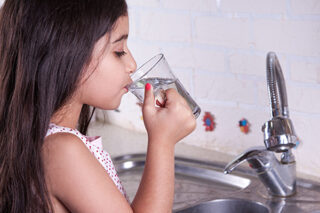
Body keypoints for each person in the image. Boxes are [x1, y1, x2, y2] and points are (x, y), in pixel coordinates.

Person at [0, 0, 196, 212]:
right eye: (119, 51)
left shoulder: (40, 140)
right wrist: (162, 142)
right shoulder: (61, 151)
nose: (132, 64)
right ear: (67, 54)